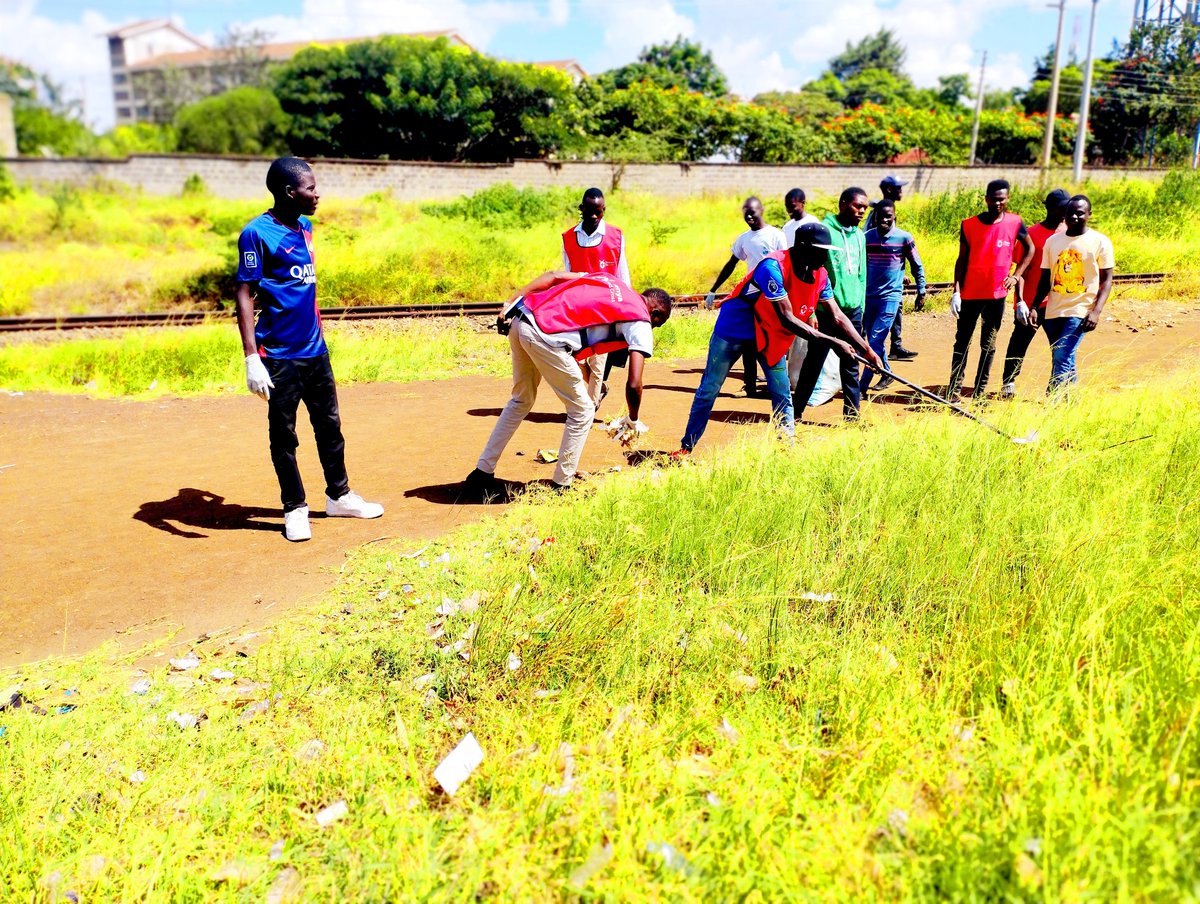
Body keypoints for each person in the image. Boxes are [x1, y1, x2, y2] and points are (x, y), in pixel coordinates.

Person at [236, 157, 384, 542]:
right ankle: (294, 508)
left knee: (330, 427)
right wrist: (252, 357)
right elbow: (244, 293)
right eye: (311, 188)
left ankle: (339, 496)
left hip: (315, 351)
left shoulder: (305, 227)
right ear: (290, 192)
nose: (317, 194)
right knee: (284, 436)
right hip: (279, 356)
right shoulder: (256, 234)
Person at [464, 271, 672, 498]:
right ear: (655, 313)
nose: (652, 329)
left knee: (521, 400)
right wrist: (632, 419)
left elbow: (552, 277)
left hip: (522, 319)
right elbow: (634, 383)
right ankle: (561, 486)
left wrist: (510, 303)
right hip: (545, 337)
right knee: (583, 411)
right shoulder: (641, 319)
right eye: (657, 324)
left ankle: (481, 474)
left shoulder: (609, 280)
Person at [678, 223, 883, 453]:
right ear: (804, 247)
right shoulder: (772, 267)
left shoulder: (820, 275)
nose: (825, 256)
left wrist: (867, 350)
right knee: (710, 387)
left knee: (781, 392)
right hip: (735, 328)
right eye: (821, 250)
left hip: (769, 333)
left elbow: (837, 316)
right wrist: (834, 342)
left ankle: (787, 450)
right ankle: (687, 447)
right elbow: (787, 317)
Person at [946, 179, 1035, 400]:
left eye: (1002, 199)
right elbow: (961, 259)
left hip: (996, 296)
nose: (997, 203)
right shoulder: (968, 224)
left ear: (1008, 199)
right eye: (994, 199)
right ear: (986, 198)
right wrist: (956, 291)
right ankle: (954, 390)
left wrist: (1016, 276)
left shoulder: (1015, 223)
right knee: (962, 342)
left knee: (988, 345)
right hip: (969, 295)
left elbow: (1030, 249)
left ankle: (979, 391)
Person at [705, 197, 788, 398]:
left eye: (753, 212)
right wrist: (713, 289)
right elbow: (731, 263)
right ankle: (750, 385)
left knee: (770, 339)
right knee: (749, 341)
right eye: (746, 213)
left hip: (772, 297)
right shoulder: (744, 239)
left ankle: (776, 386)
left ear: (762, 210)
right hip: (751, 297)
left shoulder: (776, 235)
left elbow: (785, 264)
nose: (749, 216)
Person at [1031, 194, 1114, 394]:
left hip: (1080, 310)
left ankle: (1054, 398)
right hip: (1054, 311)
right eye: (1070, 213)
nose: (1074, 217)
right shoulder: (1052, 242)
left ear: (1089, 214)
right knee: (1064, 355)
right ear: (1064, 215)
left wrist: (1096, 312)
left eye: (1080, 213)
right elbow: (1045, 279)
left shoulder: (1100, 242)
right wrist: (1034, 306)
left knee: (1061, 354)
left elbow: (1106, 281)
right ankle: (1072, 400)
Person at [562, 188, 631, 408]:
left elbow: (623, 275)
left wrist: (626, 308)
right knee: (574, 358)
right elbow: (566, 275)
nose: (594, 216)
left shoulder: (616, 236)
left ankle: (589, 407)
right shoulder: (569, 238)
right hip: (578, 309)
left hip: (605, 310)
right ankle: (598, 389)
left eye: (598, 212)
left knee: (598, 359)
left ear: (604, 211)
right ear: (581, 209)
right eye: (589, 211)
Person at [1000, 188, 1069, 398]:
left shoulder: (1069, 232)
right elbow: (1020, 270)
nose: (1066, 211)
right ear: (1048, 207)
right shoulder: (1031, 234)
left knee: (1059, 348)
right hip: (1031, 302)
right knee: (1019, 343)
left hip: (1058, 303)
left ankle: (1056, 386)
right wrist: (1021, 302)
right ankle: (1008, 382)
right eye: (1061, 207)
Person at [859, 199, 926, 396]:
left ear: (894, 215)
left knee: (875, 340)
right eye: (881, 216)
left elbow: (917, 265)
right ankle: (886, 372)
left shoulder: (904, 238)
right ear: (875, 217)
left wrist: (921, 291)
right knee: (871, 340)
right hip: (869, 297)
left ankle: (861, 387)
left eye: (888, 216)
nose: (884, 220)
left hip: (890, 297)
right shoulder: (866, 238)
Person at [816, 187, 870, 421]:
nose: (862, 212)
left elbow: (862, 274)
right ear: (843, 204)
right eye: (858, 206)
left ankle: (852, 415)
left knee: (851, 362)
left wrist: (861, 306)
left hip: (853, 310)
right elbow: (815, 272)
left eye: (865, 208)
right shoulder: (825, 230)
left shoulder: (860, 236)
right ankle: (794, 413)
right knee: (814, 361)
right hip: (826, 310)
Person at [865, 174, 919, 361]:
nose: (901, 191)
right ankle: (885, 355)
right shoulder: (880, 212)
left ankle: (895, 345)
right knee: (877, 329)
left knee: (894, 311)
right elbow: (873, 245)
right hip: (877, 284)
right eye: (898, 188)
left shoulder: (888, 211)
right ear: (889, 190)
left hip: (891, 281)